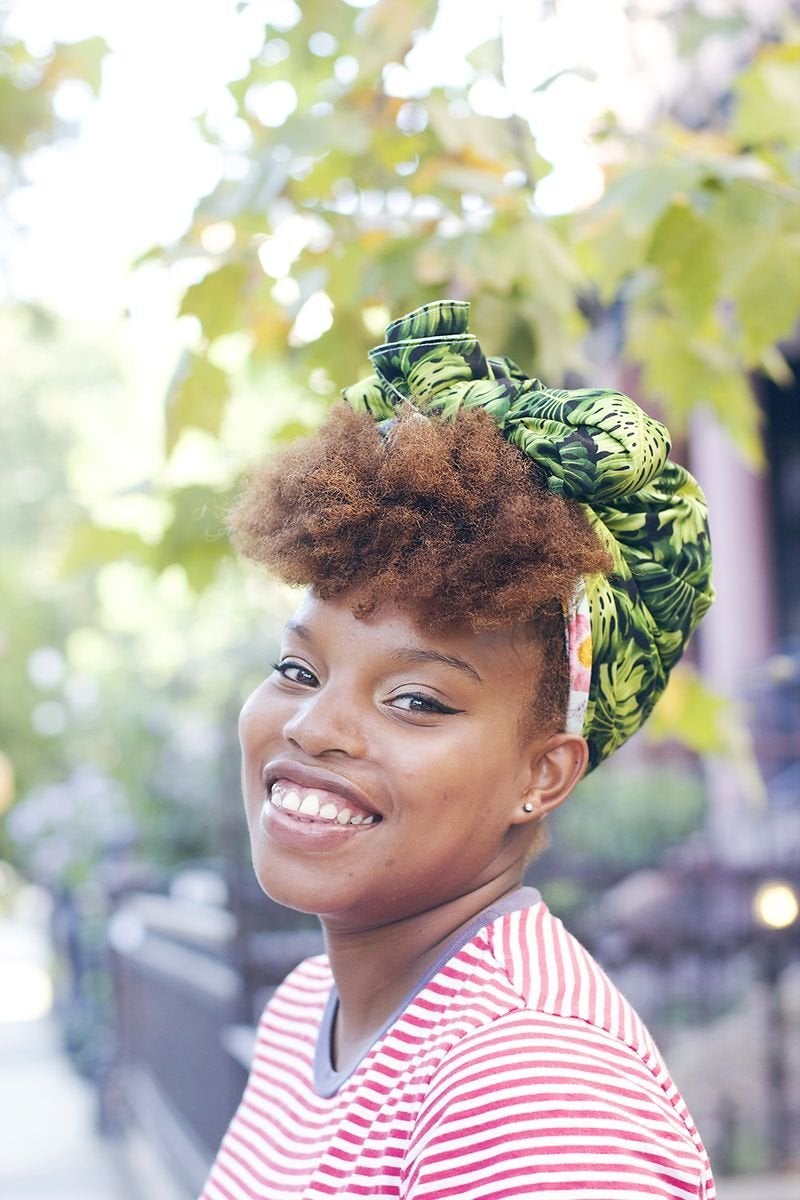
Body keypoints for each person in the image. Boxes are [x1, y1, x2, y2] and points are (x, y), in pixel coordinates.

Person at [200, 300, 716, 1199]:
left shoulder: (534, 1090)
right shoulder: (304, 1013)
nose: (314, 725)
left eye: (415, 699)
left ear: (541, 773)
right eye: (297, 666)